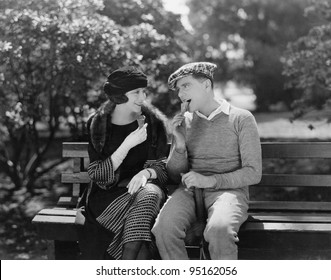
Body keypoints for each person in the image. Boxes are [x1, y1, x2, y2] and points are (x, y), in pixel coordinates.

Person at [152, 62, 262, 260]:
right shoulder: (184, 122)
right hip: (189, 193)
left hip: (229, 193)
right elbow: (175, 175)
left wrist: (210, 181)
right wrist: (179, 146)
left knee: (219, 231)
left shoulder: (241, 118)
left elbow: (253, 172)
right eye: (178, 90)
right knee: (163, 229)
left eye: (186, 86)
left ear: (206, 85)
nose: (180, 95)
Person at [77, 66, 169, 260]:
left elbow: (163, 168)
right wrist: (126, 146)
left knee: (149, 194)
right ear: (119, 95)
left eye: (144, 91)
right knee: (142, 245)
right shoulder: (98, 124)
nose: (142, 97)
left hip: (146, 190)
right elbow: (98, 175)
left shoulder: (153, 123)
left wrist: (146, 174)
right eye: (136, 92)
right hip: (107, 196)